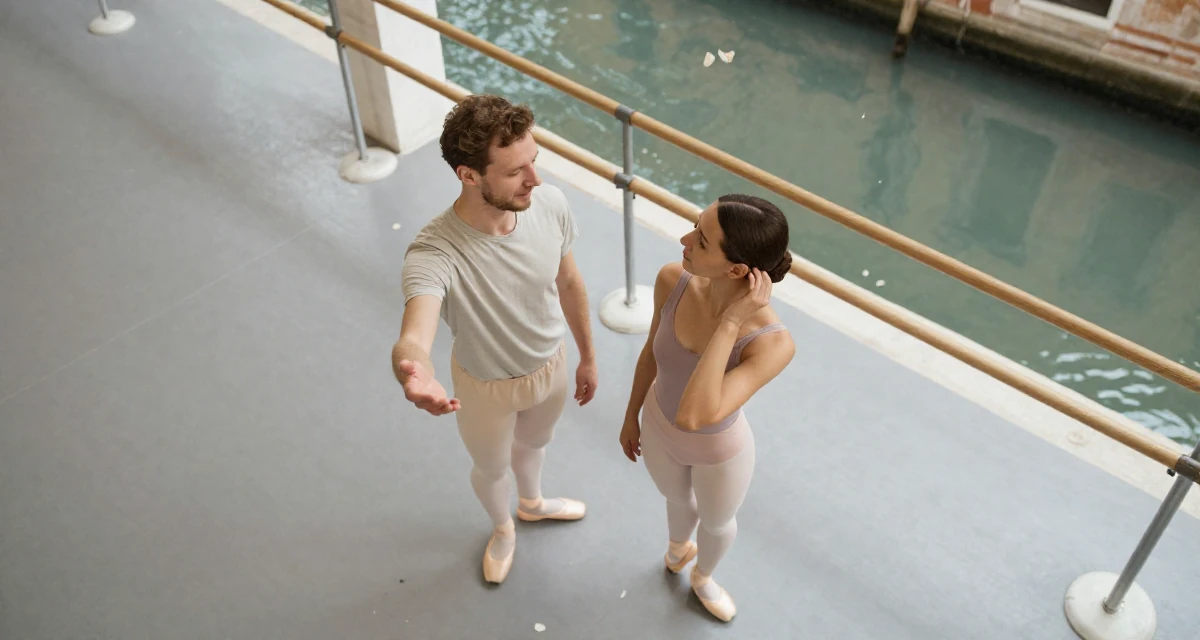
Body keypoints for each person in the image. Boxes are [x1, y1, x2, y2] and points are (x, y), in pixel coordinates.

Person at [392, 94, 598, 585]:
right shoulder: (435, 249)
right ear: (468, 175)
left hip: (551, 365)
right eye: (515, 172)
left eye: (534, 161)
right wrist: (413, 367)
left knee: (534, 445)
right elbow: (415, 330)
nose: (535, 180)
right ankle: (503, 526)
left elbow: (568, 282)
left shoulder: (548, 204)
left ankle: (532, 504)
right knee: (490, 467)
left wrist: (588, 356)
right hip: (484, 385)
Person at [619, 194, 795, 621]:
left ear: (736, 269)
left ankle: (703, 576)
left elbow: (695, 414)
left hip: (718, 452)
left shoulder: (772, 344)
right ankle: (679, 548)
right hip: (657, 427)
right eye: (695, 226)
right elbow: (651, 354)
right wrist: (631, 414)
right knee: (676, 499)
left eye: (700, 240)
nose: (683, 240)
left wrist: (731, 321)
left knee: (716, 523)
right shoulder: (671, 279)